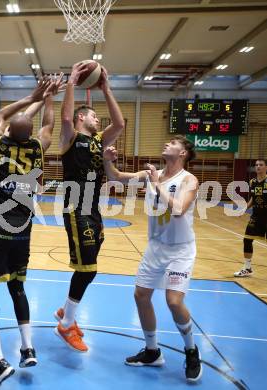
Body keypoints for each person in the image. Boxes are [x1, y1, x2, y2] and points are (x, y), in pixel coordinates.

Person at [0, 75, 63, 389]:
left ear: (10, 131)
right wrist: (49, 97)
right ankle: (27, 348)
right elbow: (49, 124)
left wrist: (32, 96)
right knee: (17, 287)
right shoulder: (39, 147)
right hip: (24, 230)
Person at [103, 135, 202, 382]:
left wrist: (157, 184)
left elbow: (179, 209)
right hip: (156, 247)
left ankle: (191, 351)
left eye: (173, 143)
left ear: (183, 153)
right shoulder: (151, 174)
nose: (167, 144)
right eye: (166, 141)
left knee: (174, 301)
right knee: (141, 295)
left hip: (180, 249)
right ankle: (152, 351)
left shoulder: (189, 179)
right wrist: (107, 160)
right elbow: (116, 177)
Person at [54, 62, 125, 352]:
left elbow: (120, 124)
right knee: (88, 268)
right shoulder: (70, 137)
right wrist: (71, 82)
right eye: (94, 117)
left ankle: (65, 311)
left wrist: (106, 89)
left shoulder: (98, 141)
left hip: (93, 209)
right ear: (83, 117)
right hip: (76, 207)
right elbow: (67, 117)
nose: (99, 121)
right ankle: (66, 325)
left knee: (90, 266)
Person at [234, 158, 267, 277]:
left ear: (266, 167)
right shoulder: (252, 181)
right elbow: (253, 198)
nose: (258, 166)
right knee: (247, 240)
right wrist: (244, 208)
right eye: (256, 165)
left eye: (261, 165)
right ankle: (247, 268)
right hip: (256, 216)